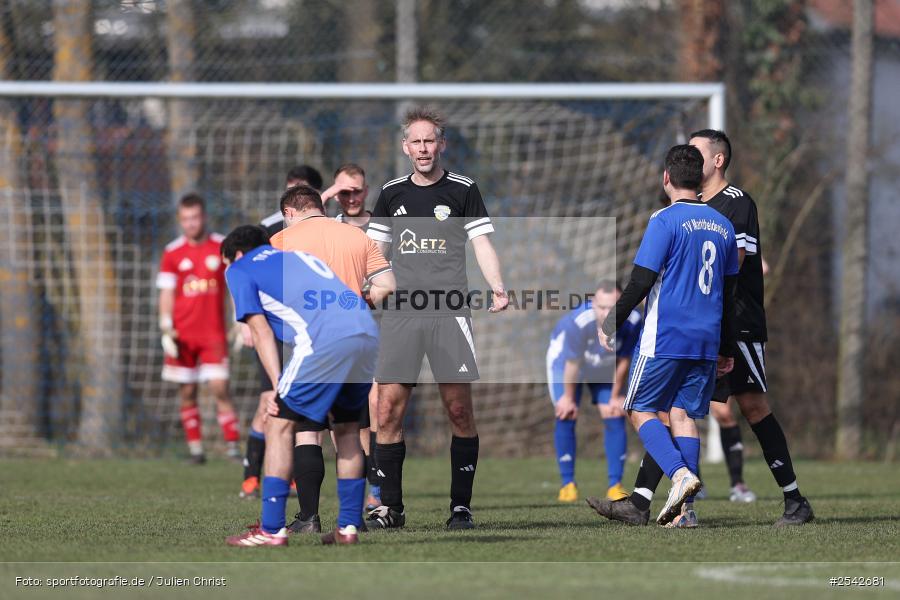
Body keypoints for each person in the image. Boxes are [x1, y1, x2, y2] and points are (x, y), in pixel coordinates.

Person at [365, 107, 508, 530]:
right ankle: (391, 508)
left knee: (459, 410)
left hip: (449, 312)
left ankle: (460, 507)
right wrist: (364, 289)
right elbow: (375, 254)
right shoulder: (391, 193)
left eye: (431, 141)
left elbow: (482, 242)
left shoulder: (464, 189)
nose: (424, 148)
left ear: (441, 144)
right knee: (388, 410)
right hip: (402, 315)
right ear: (405, 147)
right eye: (417, 142)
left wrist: (498, 286)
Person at [591, 144, 739, 528]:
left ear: (666, 178)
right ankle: (684, 514)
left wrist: (612, 321)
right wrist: (726, 346)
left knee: (638, 409)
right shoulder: (724, 225)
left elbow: (642, 279)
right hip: (706, 340)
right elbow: (730, 293)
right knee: (682, 414)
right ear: (700, 178)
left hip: (666, 336)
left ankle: (680, 475)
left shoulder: (664, 219)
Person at [223, 225, 379, 547]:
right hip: (365, 332)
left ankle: (271, 529)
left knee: (278, 425)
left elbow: (261, 331)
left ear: (236, 254)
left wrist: (278, 385)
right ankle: (348, 527)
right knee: (348, 429)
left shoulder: (240, 268)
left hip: (325, 342)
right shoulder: (299, 258)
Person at [690, 129, 812, 525]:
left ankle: (794, 500)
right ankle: (660, 503)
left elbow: (737, 259)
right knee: (676, 406)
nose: (690, 159)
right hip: (699, 323)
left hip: (737, 324)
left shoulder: (737, 203)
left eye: (696, 153)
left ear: (718, 160)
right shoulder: (690, 203)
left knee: (754, 407)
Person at [268, 184, 395, 533]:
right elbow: (388, 285)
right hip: (354, 342)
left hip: (311, 344)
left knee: (307, 432)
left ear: (289, 212)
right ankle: (352, 521)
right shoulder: (357, 237)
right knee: (350, 432)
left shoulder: (281, 242)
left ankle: (308, 517)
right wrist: (362, 300)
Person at [241, 164, 325, 499]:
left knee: (306, 411)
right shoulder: (271, 227)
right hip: (277, 329)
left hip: (314, 334)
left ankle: (289, 479)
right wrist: (247, 324)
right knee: (271, 401)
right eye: (290, 188)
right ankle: (251, 476)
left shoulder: (327, 229)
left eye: (301, 189)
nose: (292, 196)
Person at [156, 193, 240, 464]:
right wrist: (166, 326)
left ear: (203, 217)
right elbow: (167, 293)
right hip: (183, 333)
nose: (191, 224)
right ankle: (196, 450)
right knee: (187, 391)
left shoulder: (221, 245)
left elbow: (234, 287)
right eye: (185, 219)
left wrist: (240, 320)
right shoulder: (172, 252)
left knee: (219, 387)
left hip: (212, 332)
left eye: (195, 217)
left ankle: (233, 449)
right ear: (180, 221)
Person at [547, 282, 641, 503]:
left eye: (613, 307)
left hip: (605, 366)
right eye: (601, 307)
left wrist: (616, 395)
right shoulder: (578, 323)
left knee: (614, 412)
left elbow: (625, 358)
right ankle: (567, 485)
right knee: (566, 412)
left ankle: (615, 485)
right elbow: (572, 363)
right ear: (593, 304)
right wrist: (568, 398)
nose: (607, 313)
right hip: (566, 365)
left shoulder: (634, 321)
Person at [259, 165, 324, 237]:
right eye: (289, 192)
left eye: (299, 192)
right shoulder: (269, 227)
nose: (292, 197)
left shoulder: (334, 222)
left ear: (318, 193)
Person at [322, 163, 372, 228]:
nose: (351, 200)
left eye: (357, 192)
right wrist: (325, 196)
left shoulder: (383, 224)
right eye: (345, 193)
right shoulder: (332, 227)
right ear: (335, 194)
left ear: (366, 191)